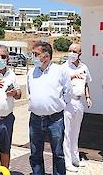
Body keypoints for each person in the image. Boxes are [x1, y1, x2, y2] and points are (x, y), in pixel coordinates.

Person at [27, 41, 72, 175]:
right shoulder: (31, 72)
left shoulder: (60, 71)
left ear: (46, 56)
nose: (33, 57)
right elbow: (30, 92)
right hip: (35, 119)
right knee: (35, 152)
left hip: (55, 120)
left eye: (36, 54)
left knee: (58, 153)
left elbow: (68, 93)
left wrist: (56, 106)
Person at [62, 43, 93, 172]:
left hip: (79, 102)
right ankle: (67, 161)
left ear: (80, 53)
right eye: (70, 50)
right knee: (67, 133)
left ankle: (75, 158)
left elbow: (86, 84)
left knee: (76, 132)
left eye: (74, 51)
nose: (71, 53)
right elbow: (59, 82)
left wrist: (88, 97)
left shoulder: (84, 67)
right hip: (68, 102)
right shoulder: (63, 68)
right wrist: (72, 76)